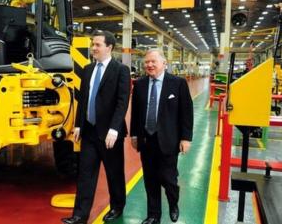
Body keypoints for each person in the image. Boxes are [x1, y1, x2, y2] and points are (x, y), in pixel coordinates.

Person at [61, 30, 131, 224]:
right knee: (85, 174)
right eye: (93, 44)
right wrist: (78, 125)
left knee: (114, 173)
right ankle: (79, 216)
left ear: (109, 47)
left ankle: (117, 207)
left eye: (97, 45)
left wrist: (114, 129)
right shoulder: (88, 69)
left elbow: (122, 101)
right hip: (90, 132)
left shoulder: (120, 70)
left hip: (110, 134)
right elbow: (82, 100)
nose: (93, 48)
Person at [130, 49, 193, 224]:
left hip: (168, 141)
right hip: (146, 140)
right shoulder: (140, 84)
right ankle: (153, 215)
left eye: (153, 62)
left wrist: (186, 138)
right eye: (146, 62)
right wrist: (134, 135)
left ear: (164, 63)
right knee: (150, 180)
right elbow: (135, 112)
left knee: (169, 179)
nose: (149, 65)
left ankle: (173, 203)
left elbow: (186, 113)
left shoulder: (178, 83)